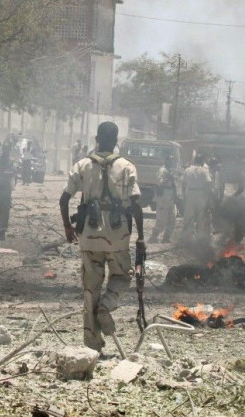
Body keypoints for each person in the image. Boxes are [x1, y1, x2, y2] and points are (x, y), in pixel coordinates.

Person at [59, 121, 144, 353]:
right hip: (118, 238)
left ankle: (92, 345)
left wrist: (68, 227)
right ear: (116, 140)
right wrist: (141, 238)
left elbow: (64, 199)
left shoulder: (82, 165)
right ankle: (107, 305)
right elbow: (136, 205)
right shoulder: (127, 166)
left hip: (89, 237)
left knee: (90, 290)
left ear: (97, 138)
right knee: (122, 277)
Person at [180, 154, 212, 242]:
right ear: (201, 161)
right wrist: (208, 198)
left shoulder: (188, 170)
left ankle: (187, 240)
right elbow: (208, 184)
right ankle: (199, 241)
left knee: (188, 218)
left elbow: (183, 184)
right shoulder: (204, 171)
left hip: (190, 194)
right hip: (201, 195)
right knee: (200, 218)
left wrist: (184, 196)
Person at [148, 155, 177, 244]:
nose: (171, 162)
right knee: (161, 220)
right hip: (163, 196)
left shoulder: (170, 170)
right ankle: (153, 237)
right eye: (170, 160)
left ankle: (166, 238)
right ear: (166, 161)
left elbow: (174, 185)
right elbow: (160, 183)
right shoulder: (162, 170)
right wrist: (169, 176)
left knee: (172, 218)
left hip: (170, 196)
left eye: (172, 160)